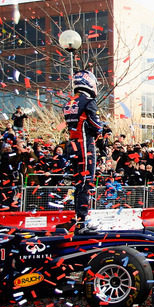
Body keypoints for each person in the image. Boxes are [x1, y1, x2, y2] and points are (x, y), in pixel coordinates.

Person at [63, 70, 104, 224]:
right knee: (87, 182)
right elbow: (96, 126)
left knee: (79, 183)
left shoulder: (70, 102)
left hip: (72, 147)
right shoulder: (88, 101)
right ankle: (82, 219)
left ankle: (78, 217)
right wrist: (101, 129)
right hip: (85, 147)